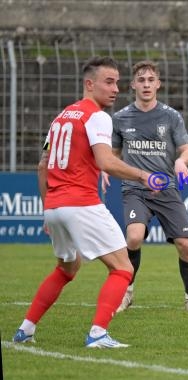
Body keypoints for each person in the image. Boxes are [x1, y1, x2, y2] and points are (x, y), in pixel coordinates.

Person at [12, 56, 156, 348]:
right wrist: (143, 175)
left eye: (117, 82)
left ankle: (26, 329)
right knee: (123, 268)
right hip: (81, 203)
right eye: (108, 81)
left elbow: (42, 166)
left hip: (55, 206)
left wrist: (47, 208)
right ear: (89, 84)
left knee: (67, 268)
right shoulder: (98, 116)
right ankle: (98, 333)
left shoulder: (62, 116)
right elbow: (106, 161)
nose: (115, 88)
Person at [104, 60, 188, 313]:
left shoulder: (170, 116)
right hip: (135, 189)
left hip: (167, 188)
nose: (146, 84)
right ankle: (127, 292)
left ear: (158, 84)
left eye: (150, 80)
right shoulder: (121, 118)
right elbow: (113, 154)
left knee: (185, 245)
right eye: (141, 80)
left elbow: (186, 149)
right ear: (133, 85)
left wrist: (182, 162)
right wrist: (107, 169)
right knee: (134, 237)